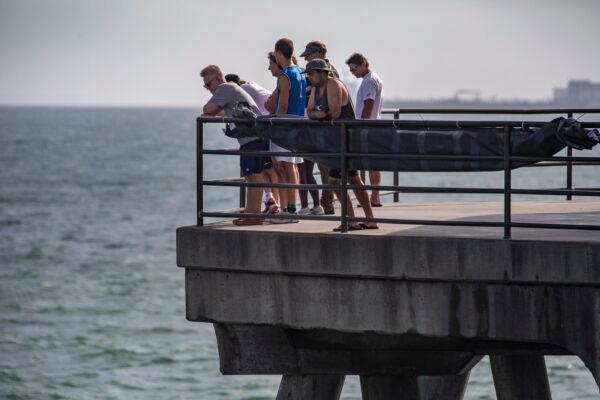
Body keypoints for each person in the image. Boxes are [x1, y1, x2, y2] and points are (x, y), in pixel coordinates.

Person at [305, 59, 378, 231]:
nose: (309, 77)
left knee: (333, 182)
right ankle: (370, 219)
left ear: (322, 72)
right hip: (336, 141)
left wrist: (319, 113)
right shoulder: (316, 88)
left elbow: (336, 112)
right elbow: (309, 113)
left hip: (346, 140)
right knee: (354, 179)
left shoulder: (333, 85)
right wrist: (319, 113)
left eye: (312, 74)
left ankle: (351, 220)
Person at [200, 64, 271, 226]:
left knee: (254, 175)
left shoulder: (225, 88)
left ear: (218, 78)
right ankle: (252, 213)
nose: (207, 88)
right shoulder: (229, 90)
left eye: (208, 84)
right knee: (251, 175)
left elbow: (208, 109)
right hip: (254, 137)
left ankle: (254, 216)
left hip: (252, 138)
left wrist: (209, 110)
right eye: (205, 86)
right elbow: (218, 111)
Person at [224, 73, 281, 214]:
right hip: (266, 128)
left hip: (262, 132)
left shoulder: (240, 91)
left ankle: (275, 205)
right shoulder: (247, 87)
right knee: (264, 170)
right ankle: (271, 202)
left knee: (265, 171)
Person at [300, 40, 338, 215]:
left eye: (309, 54)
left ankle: (327, 201)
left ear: (319, 53)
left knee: (326, 168)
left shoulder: (328, 73)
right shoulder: (313, 73)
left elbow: (329, 104)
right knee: (317, 167)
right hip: (315, 127)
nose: (306, 58)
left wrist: (317, 113)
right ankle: (324, 202)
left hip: (325, 128)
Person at [272, 38, 307, 218]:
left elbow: (283, 106)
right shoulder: (301, 72)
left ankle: (288, 210)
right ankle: (290, 207)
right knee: (292, 167)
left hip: (286, 128)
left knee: (286, 167)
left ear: (278, 53)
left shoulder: (284, 76)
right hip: (299, 125)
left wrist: (273, 120)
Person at [346, 53, 384, 207]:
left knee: (371, 164)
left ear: (363, 65)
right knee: (372, 164)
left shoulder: (369, 81)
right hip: (372, 126)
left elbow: (368, 104)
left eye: (353, 69)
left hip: (368, 128)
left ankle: (373, 197)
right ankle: (373, 196)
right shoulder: (372, 78)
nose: (352, 73)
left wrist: (361, 125)